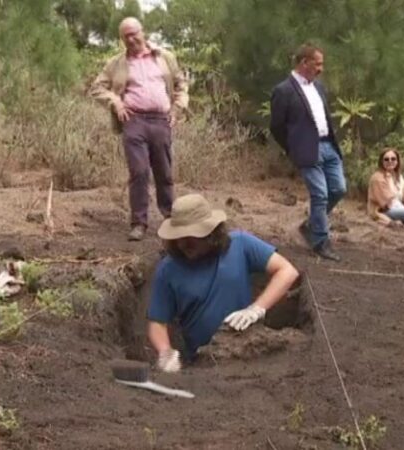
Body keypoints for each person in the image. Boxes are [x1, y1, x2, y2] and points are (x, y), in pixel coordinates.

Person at [147, 194, 299, 372]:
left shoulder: (241, 244)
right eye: (178, 237)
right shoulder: (168, 270)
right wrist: (165, 352)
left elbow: (287, 271)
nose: (182, 244)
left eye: (190, 237)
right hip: (202, 363)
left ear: (211, 233)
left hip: (248, 351)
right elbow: (157, 322)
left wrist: (256, 309)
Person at [90, 17, 188, 241]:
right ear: (122, 39)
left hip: (161, 120)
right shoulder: (116, 63)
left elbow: (181, 84)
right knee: (139, 172)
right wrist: (116, 102)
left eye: (134, 34)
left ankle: (171, 220)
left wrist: (177, 109)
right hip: (133, 121)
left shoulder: (165, 57)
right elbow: (97, 88)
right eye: (126, 36)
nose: (131, 39)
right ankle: (139, 223)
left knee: (164, 172)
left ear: (143, 32)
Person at [270, 43, 347, 261]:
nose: (321, 69)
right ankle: (321, 242)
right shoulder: (284, 90)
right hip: (306, 150)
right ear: (304, 63)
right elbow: (276, 126)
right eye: (318, 64)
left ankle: (311, 225)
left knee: (339, 189)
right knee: (320, 194)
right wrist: (292, 148)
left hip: (328, 146)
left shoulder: (319, 88)